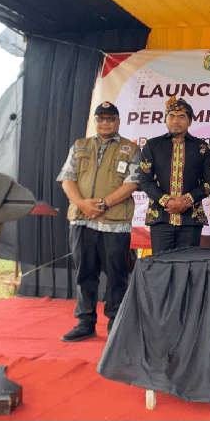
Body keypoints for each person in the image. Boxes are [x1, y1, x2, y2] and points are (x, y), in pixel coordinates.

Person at [56, 101, 140, 341]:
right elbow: (67, 179)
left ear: (118, 121)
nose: (105, 123)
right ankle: (85, 322)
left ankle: (116, 322)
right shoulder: (80, 146)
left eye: (110, 119)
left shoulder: (131, 149)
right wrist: (82, 204)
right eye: (101, 119)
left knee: (117, 274)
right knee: (84, 273)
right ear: (95, 121)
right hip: (82, 220)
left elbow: (133, 182)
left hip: (115, 222)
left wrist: (103, 204)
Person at [135, 97, 210, 254]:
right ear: (165, 119)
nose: (175, 120)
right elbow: (145, 181)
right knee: (162, 268)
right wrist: (167, 201)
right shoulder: (152, 145)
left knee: (188, 268)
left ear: (190, 121)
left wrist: (186, 201)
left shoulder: (202, 148)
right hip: (161, 218)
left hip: (191, 219)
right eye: (171, 115)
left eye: (181, 116)